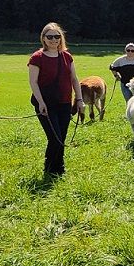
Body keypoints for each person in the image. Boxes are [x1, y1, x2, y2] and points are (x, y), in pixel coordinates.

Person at [28, 22, 82, 177]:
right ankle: (50, 169)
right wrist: (41, 102)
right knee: (54, 137)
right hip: (46, 104)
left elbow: (74, 78)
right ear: (43, 38)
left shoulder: (67, 56)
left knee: (62, 137)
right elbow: (33, 82)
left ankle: (60, 167)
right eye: (50, 36)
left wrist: (79, 100)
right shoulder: (37, 58)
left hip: (65, 103)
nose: (54, 40)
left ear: (61, 38)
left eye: (57, 36)